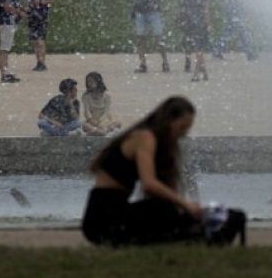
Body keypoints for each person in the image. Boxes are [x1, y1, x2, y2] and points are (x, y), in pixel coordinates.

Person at [82, 96, 203, 246]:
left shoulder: (151, 139)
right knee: (165, 210)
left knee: (173, 213)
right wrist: (186, 204)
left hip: (114, 213)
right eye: (182, 128)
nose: (184, 134)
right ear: (168, 121)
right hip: (103, 220)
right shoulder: (144, 137)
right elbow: (149, 183)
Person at [130, 0, 169, 73]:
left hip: (154, 10)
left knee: (159, 38)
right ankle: (143, 64)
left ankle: (165, 62)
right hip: (140, 11)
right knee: (140, 38)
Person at [178, 0, 211, 82]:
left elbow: (204, 6)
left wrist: (207, 22)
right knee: (198, 47)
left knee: (198, 48)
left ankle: (196, 74)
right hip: (196, 20)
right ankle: (205, 73)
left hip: (195, 21)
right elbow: (206, 6)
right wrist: (208, 23)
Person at [25, 0, 54, 72]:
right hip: (32, 17)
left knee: (41, 41)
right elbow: (28, 2)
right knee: (35, 41)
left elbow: (51, 0)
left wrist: (41, 2)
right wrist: (27, 9)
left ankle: (42, 63)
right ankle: (38, 62)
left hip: (42, 17)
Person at [82, 71, 122, 135]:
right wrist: (92, 121)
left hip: (105, 120)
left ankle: (100, 131)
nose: (89, 83)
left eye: (91, 81)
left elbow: (106, 112)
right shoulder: (86, 96)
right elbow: (86, 112)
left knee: (118, 123)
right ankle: (101, 132)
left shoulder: (107, 95)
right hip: (91, 122)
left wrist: (100, 122)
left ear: (98, 82)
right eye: (88, 82)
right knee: (84, 125)